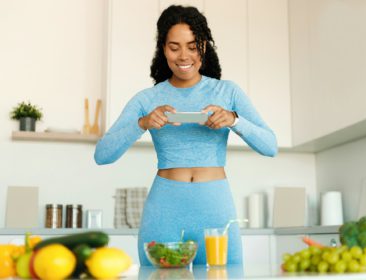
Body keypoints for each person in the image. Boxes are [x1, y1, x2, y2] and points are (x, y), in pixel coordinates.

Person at [94, 5, 277, 266]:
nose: (184, 55)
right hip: (165, 210)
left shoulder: (227, 92)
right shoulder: (147, 99)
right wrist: (142, 123)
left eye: (192, 46)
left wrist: (235, 120)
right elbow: (102, 155)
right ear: (163, 49)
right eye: (174, 46)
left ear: (204, 46)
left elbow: (270, 146)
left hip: (215, 209)